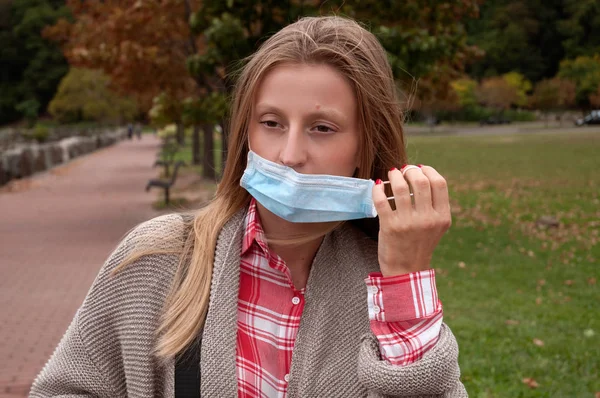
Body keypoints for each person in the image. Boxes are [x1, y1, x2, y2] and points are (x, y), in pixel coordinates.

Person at [30, 16, 466, 398]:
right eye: (271, 123)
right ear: (245, 133)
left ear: (364, 147)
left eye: (322, 127)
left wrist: (406, 281)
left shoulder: (385, 284)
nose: (289, 154)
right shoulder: (157, 257)